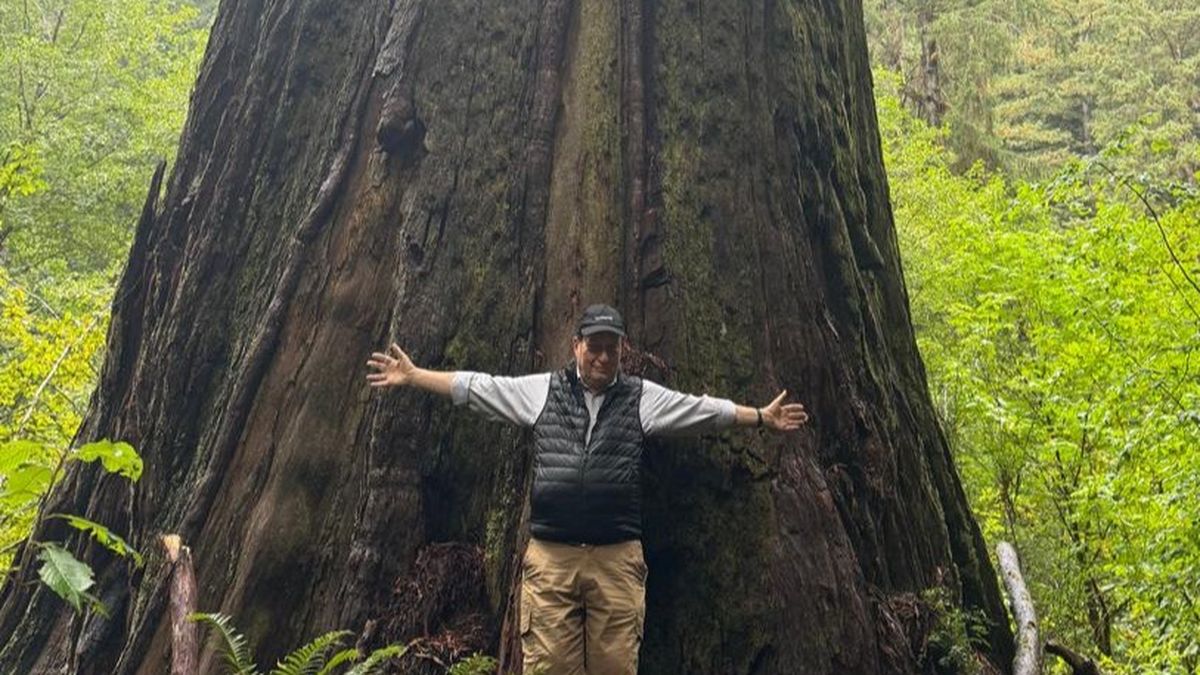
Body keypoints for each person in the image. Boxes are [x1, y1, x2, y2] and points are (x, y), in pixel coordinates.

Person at [366, 304, 809, 675]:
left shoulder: (641, 398)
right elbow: (480, 388)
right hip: (552, 562)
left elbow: (700, 411)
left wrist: (759, 416)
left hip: (616, 561)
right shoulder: (544, 391)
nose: (601, 357)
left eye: (610, 349)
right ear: (576, 345)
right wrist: (415, 375)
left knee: (616, 667)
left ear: (621, 351)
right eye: (593, 347)